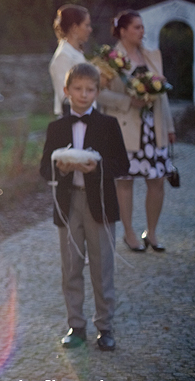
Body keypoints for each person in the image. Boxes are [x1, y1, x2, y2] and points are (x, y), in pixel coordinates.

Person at [40, 63, 129, 352]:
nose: (83, 94)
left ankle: (105, 327)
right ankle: (76, 325)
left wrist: (97, 167)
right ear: (66, 91)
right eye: (77, 89)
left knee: (102, 266)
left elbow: (122, 165)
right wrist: (62, 169)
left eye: (90, 90)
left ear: (98, 92)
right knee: (71, 266)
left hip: (100, 202)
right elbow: (44, 169)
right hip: (68, 203)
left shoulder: (108, 125)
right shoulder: (56, 127)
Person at [97, 10, 176, 252]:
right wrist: (128, 101)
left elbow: (161, 93)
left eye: (142, 27)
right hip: (125, 128)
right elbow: (98, 94)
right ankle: (129, 233)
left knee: (157, 180)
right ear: (123, 31)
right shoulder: (110, 59)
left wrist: (170, 127)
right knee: (125, 182)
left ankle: (151, 232)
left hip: (153, 127)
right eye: (137, 27)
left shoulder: (151, 55)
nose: (142, 32)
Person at [49, 4, 92, 116]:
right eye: (86, 25)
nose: (90, 30)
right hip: (71, 119)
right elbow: (65, 96)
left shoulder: (76, 53)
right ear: (74, 28)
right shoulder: (63, 56)